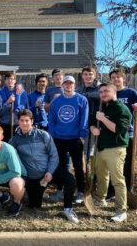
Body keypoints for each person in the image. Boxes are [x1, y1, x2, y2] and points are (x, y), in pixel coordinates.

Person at [10, 109, 78, 223]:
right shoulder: (15, 140)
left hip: (48, 171)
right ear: (18, 122)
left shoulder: (43, 135)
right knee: (35, 205)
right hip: (33, 177)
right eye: (22, 121)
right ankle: (41, 191)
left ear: (32, 121)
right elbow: (12, 160)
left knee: (69, 179)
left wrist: (50, 172)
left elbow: (54, 156)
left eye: (27, 120)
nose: (24, 123)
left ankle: (68, 209)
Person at [90, 82, 132, 222]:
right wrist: (93, 129)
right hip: (101, 148)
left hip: (116, 148)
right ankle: (100, 199)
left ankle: (121, 210)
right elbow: (92, 122)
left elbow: (118, 129)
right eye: (101, 92)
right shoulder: (102, 107)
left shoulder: (122, 109)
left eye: (106, 91)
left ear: (114, 92)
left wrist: (103, 119)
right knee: (102, 176)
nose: (103, 94)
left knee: (118, 180)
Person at [107, 68, 137, 200]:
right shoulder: (109, 93)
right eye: (113, 77)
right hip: (111, 134)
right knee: (112, 164)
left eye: (118, 77)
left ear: (123, 79)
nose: (115, 79)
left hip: (128, 134)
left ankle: (127, 190)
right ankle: (112, 192)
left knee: (127, 164)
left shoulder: (131, 93)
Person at [48, 75, 89, 204]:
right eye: (66, 83)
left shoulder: (81, 100)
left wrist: (82, 136)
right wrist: (53, 135)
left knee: (78, 166)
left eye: (71, 83)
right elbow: (52, 120)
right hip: (59, 138)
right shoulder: (56, 101)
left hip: (75, 138)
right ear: (62, 85)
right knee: (60, 166)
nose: (68, 85)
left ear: (74, 85)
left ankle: (80, 191)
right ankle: (60, 190)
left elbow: (84, 119)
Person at [0, 72, 29, 142]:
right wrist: (8, 102)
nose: (10, 81)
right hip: (4, 125)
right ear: (5, 81)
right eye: (8, 79)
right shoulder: (0, 93)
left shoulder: (21, 92)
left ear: (15, 81)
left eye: (12, 79)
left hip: (18, 125)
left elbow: (26, 109)